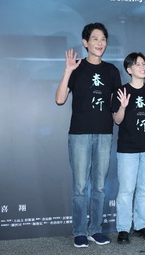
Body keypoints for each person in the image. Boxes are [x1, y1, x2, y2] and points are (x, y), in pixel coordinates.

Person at [55, 23, 121, 248]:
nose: (100, 43)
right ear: (85, 43)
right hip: (80, 134)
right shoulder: (77, 68)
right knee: (81, 186)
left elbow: (115, 109)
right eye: (95, 39)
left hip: (104, 134)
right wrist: (67, 71)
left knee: (100, 186)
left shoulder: (112, 71)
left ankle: (95, 230)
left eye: (103, 39)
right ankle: (80, 231)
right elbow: (60, 99)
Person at [111, 52, 145, 244]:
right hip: (128, 150)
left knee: (144, 190)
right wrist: (123, 106)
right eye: (138, 64)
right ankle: (123, 229)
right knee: (125, 190)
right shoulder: (122, 92)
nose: (142, 67)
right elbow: (117, 120)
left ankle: (141, 225)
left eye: (144, 64)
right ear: (129, 69)